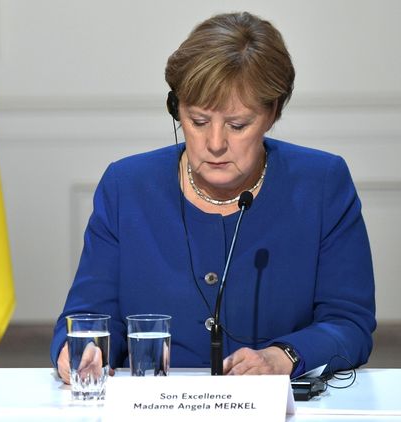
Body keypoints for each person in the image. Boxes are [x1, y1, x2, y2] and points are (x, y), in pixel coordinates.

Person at [51, 12, 375, 381]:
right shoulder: (127, 186)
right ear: (175, 109)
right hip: (154, 405)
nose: (216, 143)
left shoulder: (321, 183)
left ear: (272, 112)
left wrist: (284, 355)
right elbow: (89, 315)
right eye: (199, 121)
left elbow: (349, 323)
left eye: (237, 125)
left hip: (274, 406)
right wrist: (80, 350)